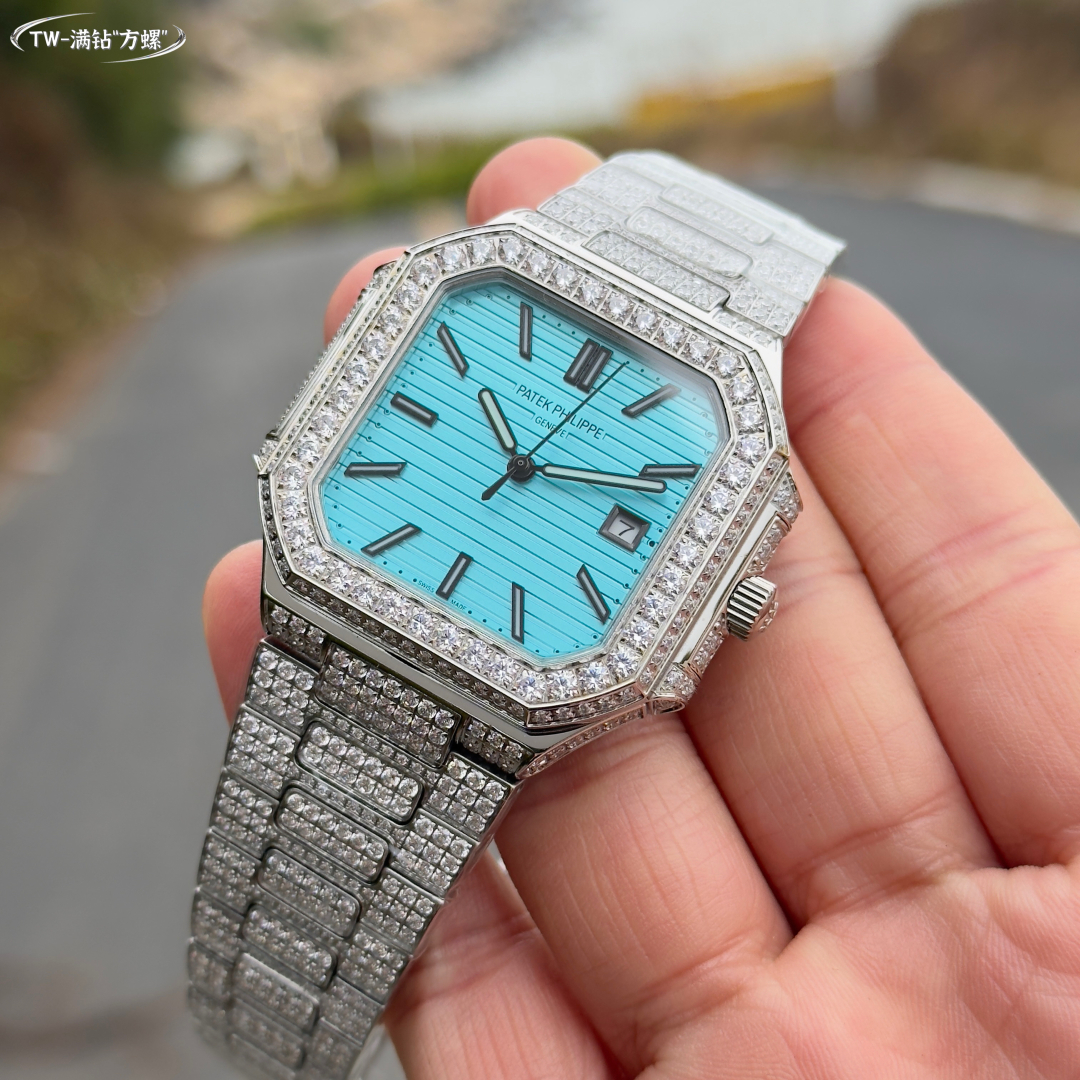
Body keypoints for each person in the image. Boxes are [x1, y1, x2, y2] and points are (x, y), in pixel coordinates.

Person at [202, 137, 1080, 1078]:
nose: (519, 469)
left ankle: (247, 1037)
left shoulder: (715, 420)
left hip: (476, 693)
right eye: (515, 461)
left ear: (732, 598)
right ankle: (241, 1026)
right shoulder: (480, 288)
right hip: (333, 601)